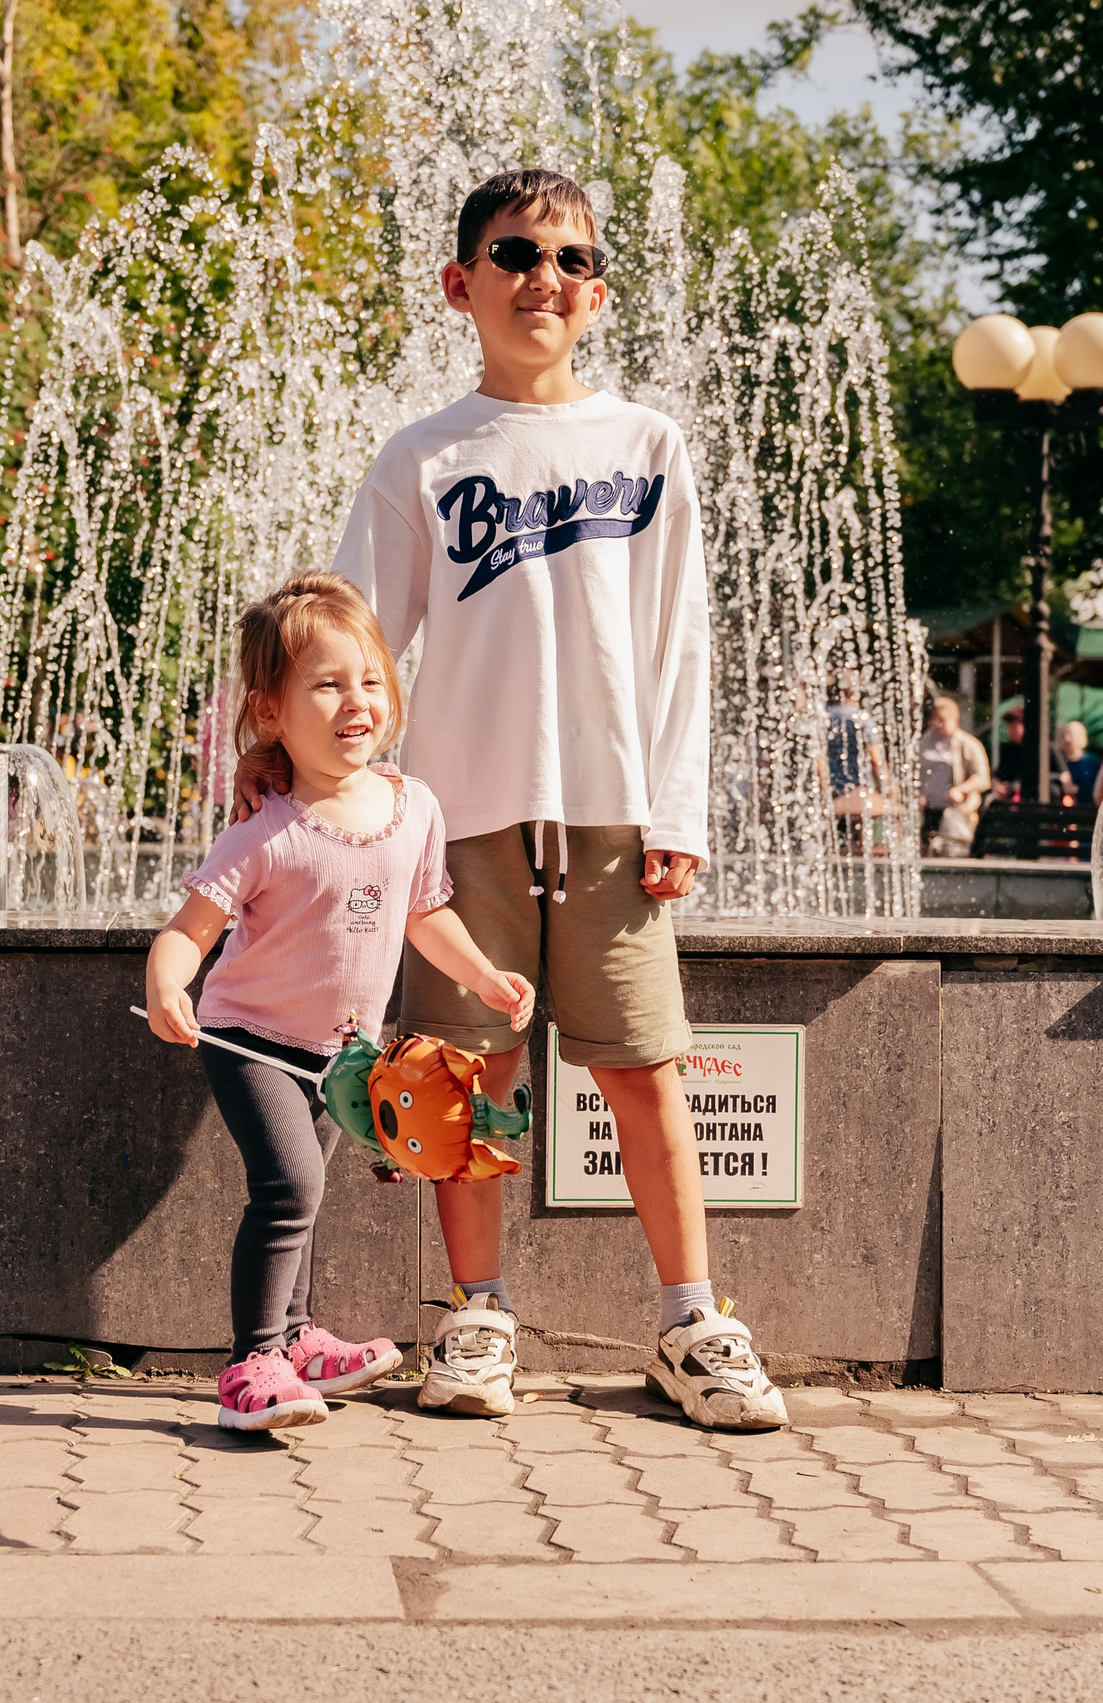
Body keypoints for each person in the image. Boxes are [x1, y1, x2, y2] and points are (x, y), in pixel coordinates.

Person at [321, 167, 789, 1430]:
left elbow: (678, 642)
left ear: (598, 292)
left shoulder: (645, 444)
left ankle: (694, 1319)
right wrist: (338, 794)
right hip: (460, 814)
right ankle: (476, 1316)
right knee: (459, 1078)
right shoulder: (423, 454)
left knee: (643, 1069)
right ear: (458, 282)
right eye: (515, 253)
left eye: (572, 259)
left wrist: (677, 810)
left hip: (612, 817)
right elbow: (357, 637)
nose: (544, 278)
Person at [145, 574, 536, 1432]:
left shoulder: (412, 805)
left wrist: (481, 975)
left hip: (340, 1053)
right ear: (271, 712)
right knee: (286, 1185)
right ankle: (253, 1363)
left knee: (310, 1187)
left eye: (369, 678)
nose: (355, 699)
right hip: (249, 1040)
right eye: (326, 684)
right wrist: (166, 979)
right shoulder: (266, 827)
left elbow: (425, 914)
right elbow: (191, 925)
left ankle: (296, 1339)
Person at [917, 694, 992, 855]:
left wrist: (961, 789)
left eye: (942, 720)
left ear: (955, 720)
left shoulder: (968, 744)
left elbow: (983, 778)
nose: (937, 725)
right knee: (925, 849)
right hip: (928, 809)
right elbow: (913, 771)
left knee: (950, 851)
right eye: (935, 720)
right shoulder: (924, 742)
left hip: (956, 810)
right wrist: (918, 792)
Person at [826, 678, 894, 853]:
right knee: (889, 811)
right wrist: (888, 786)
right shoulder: (862, 718)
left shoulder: (822, 717)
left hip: (830, 791)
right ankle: (868, 851)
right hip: (858, 789)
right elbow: (875, 759)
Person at [992, 704, 1031, 801]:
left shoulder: (1044, 750)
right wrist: (996, 784)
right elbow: (1000, 774)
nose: (1010, 731)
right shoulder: (1008, 749)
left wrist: (1020, 785)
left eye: (1014, 727)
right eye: (1008, 727)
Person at [1060, 720, 1099, 805]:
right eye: (1065, 735)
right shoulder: (1059, 762)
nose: (1067, 739)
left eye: (1071, 734)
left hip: (1088, 810)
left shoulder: (1092, 762)